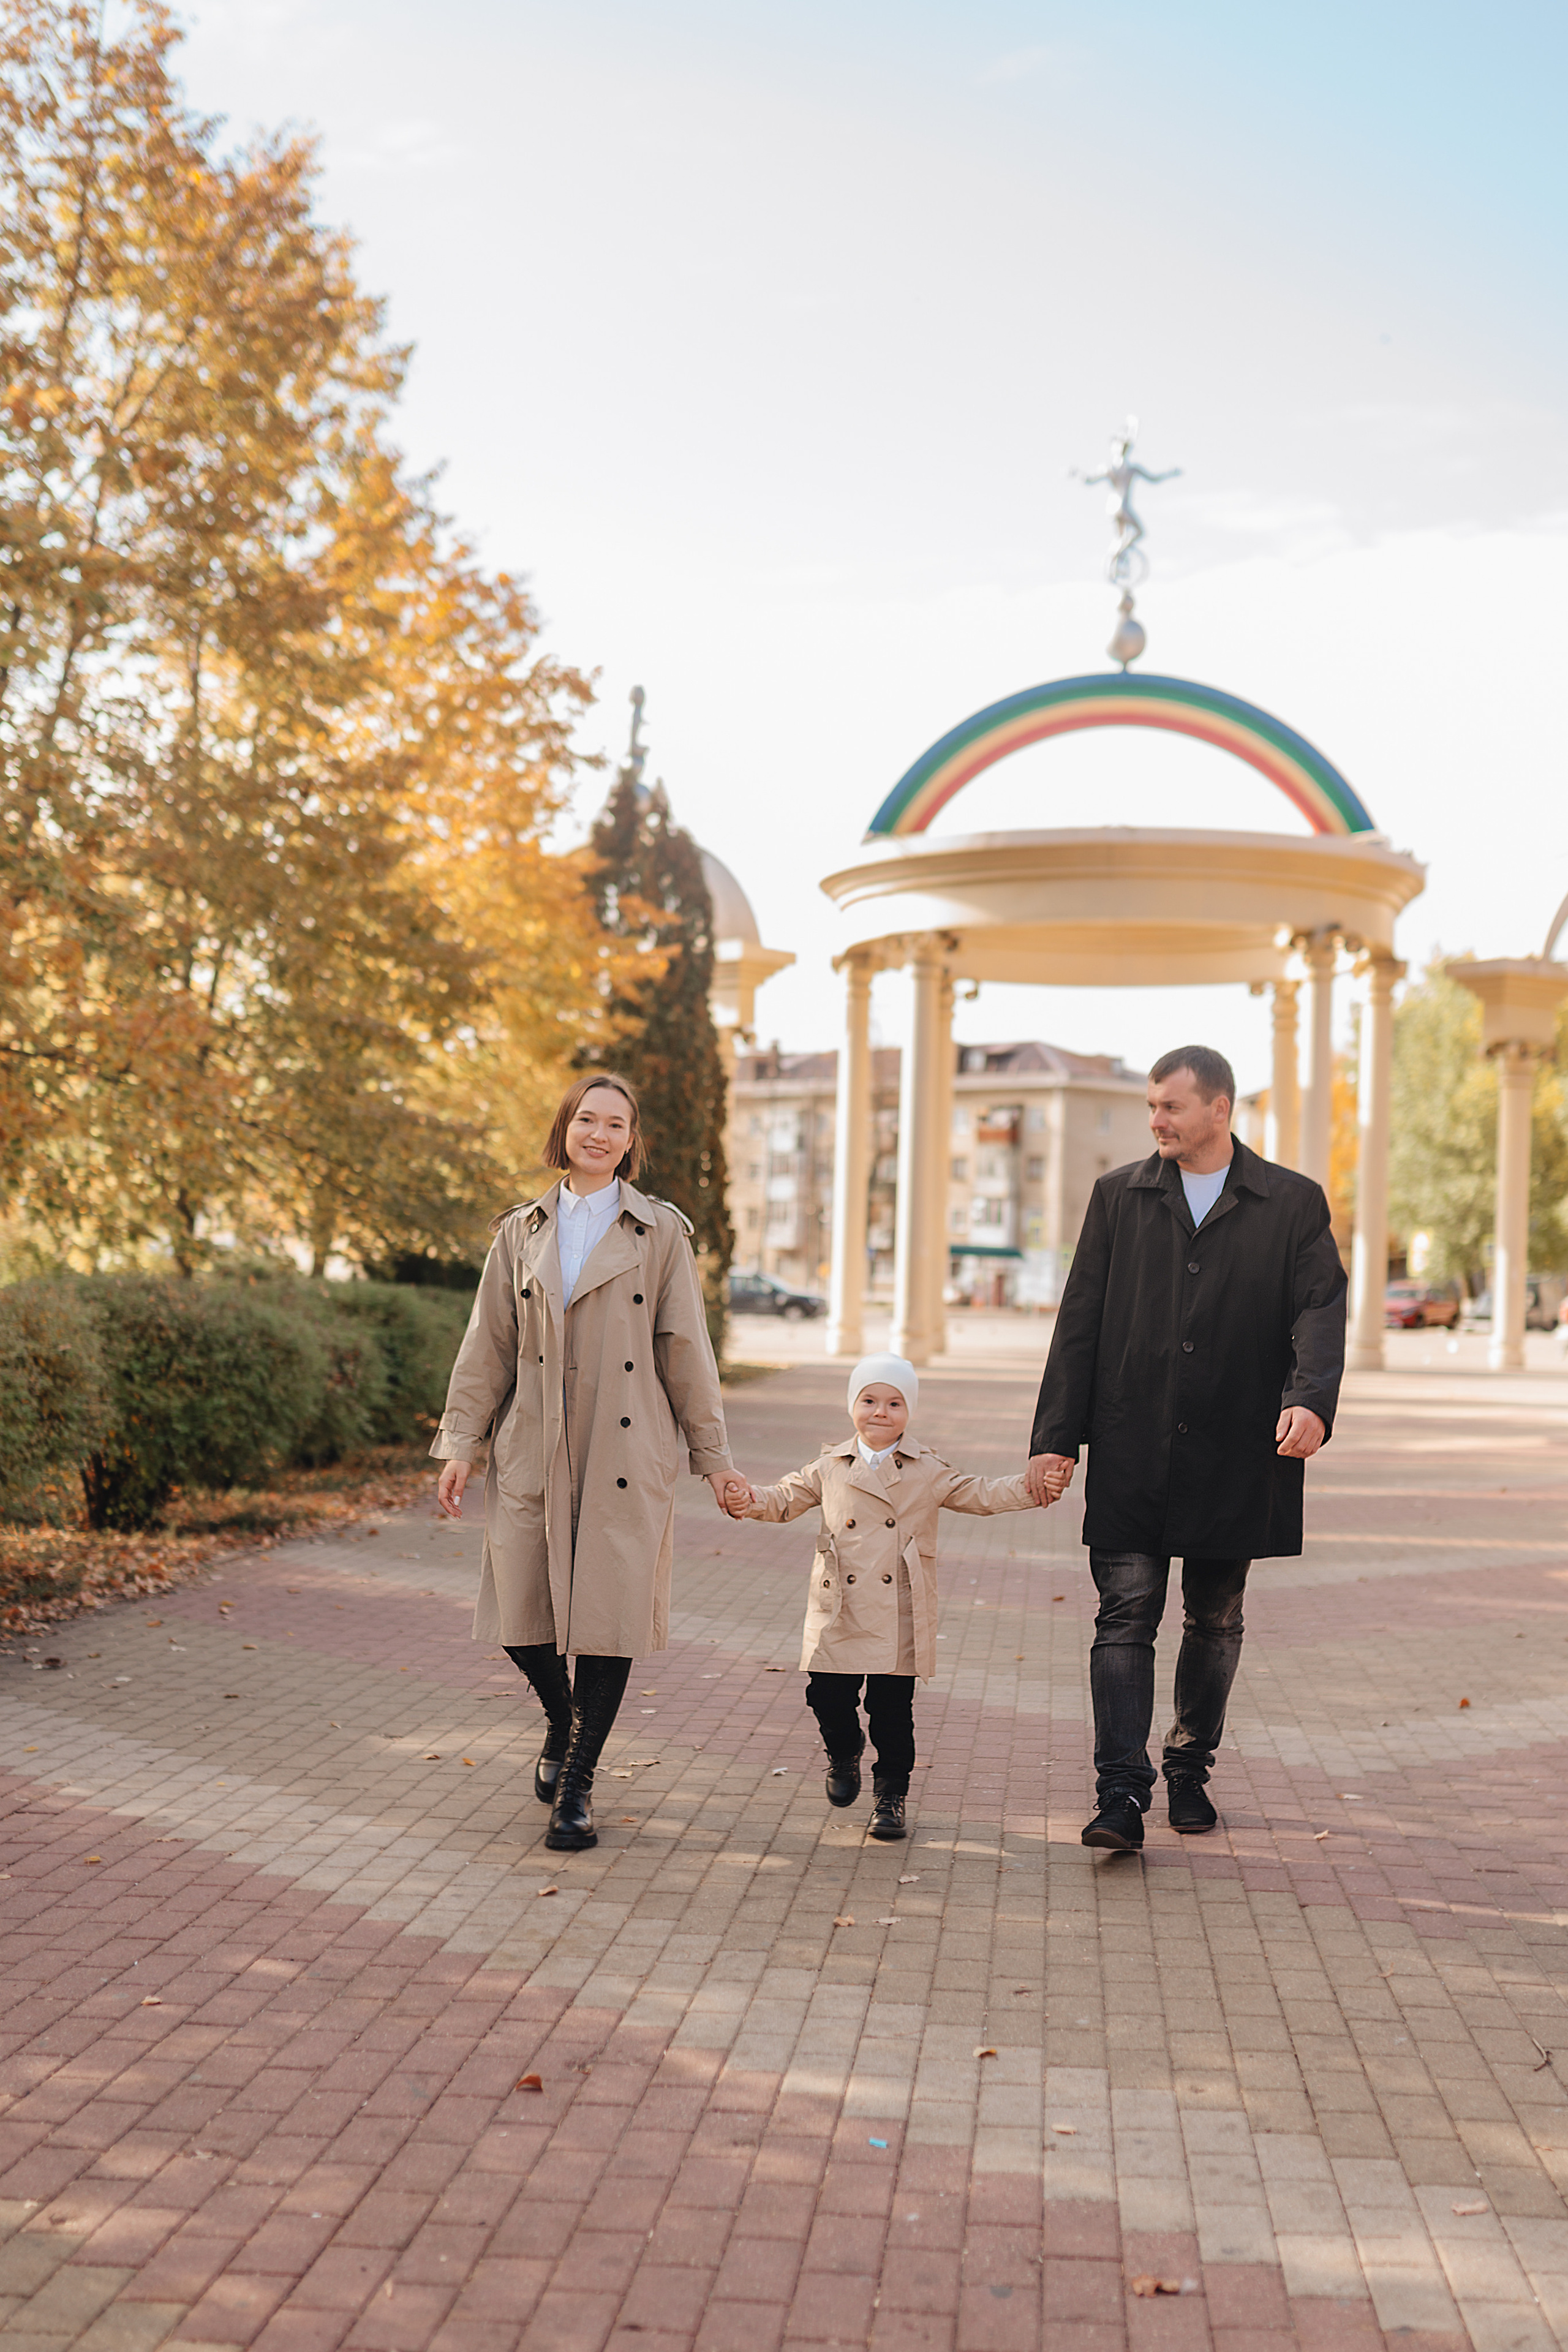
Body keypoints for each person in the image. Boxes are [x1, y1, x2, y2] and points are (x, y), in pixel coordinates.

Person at [1026, 1046, 1346, 1852]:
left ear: (1220, 1110)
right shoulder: (1118, 1198)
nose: (1157, 1121)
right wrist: (1055, 1441)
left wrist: (1309, 1400)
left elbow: (1319, 1310)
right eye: (1152, 1107)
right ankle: (1120, 1793)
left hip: (1238, 1450)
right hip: (1134, 1441)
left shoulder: (1292, 1204)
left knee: (1215, 1618)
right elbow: (1080, 1323)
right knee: (1124, 1616)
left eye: (1171, 1106)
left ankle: (1189, 1768)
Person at [433, 1074, 747, 1852]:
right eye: (586, 1119)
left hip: (624, 1443)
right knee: (518, 1608)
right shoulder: (521, 1229)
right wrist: (460, 1445)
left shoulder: (661, 1232)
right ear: (565, 1129)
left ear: (631, 1141)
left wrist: (714, 1458)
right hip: (533, 1445)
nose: (599, 1134)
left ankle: (575, 1786)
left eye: (615, 1124)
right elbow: (487, 1346)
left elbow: (686, 1351)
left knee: (607, 1622)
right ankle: (561, 1720)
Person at [730, 1354, 1045, 1840]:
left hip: (898, 1608)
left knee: (893, 1711)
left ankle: (890, 1796)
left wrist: (1032, 1488)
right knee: (826, 1696)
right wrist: (745, 1498)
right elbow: (781, 1499)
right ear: (852, 1406)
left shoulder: (926, 1468)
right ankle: (844, 1750)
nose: (881, 1411)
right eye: (869, 1400)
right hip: (838, 1609)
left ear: (909, 1411)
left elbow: (979, 1493)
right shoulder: (829, 1465)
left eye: (894, 1403)